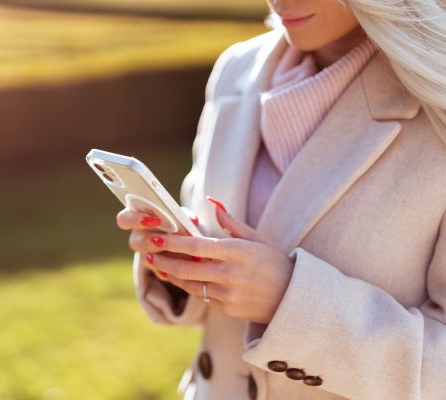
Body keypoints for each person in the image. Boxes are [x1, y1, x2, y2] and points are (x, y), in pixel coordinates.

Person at [116, 0, 446, 398]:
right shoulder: (237, 69)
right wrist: (183, 257)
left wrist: (289, 302)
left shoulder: (436, 102)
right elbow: (223, 294)